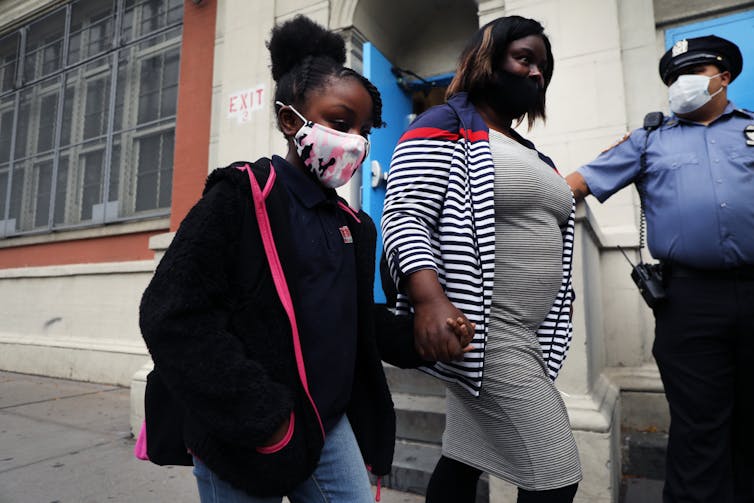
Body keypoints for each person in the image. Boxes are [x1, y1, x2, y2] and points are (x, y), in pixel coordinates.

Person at [138, 15, 457, 503]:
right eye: (340, 122)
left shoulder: (355, 225)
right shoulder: (240, 196)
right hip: (246, 434)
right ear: (292, 121)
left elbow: (351, 321)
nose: (356, 141)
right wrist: (265, 419)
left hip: (327, 426)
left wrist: (417, 337)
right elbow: (171, 314)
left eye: (365, 130)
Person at [381, 15, 582, 503]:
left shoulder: (530, 151)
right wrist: (429, 299)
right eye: (524, 59)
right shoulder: (445, 123)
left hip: (526, 333)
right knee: (558, 472)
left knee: (465, 456)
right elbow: (406, 214)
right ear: (487, 62)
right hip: (485, 330)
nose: (536, 74)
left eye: (543, 67)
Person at [566, 35, 754, 503]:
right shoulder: (648, 139)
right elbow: (574, 184)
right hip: (690, 301)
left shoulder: (752, 130)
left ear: (723, 77)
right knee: (698, 426)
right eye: (673, 78)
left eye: (693, 74)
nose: (680, 85)